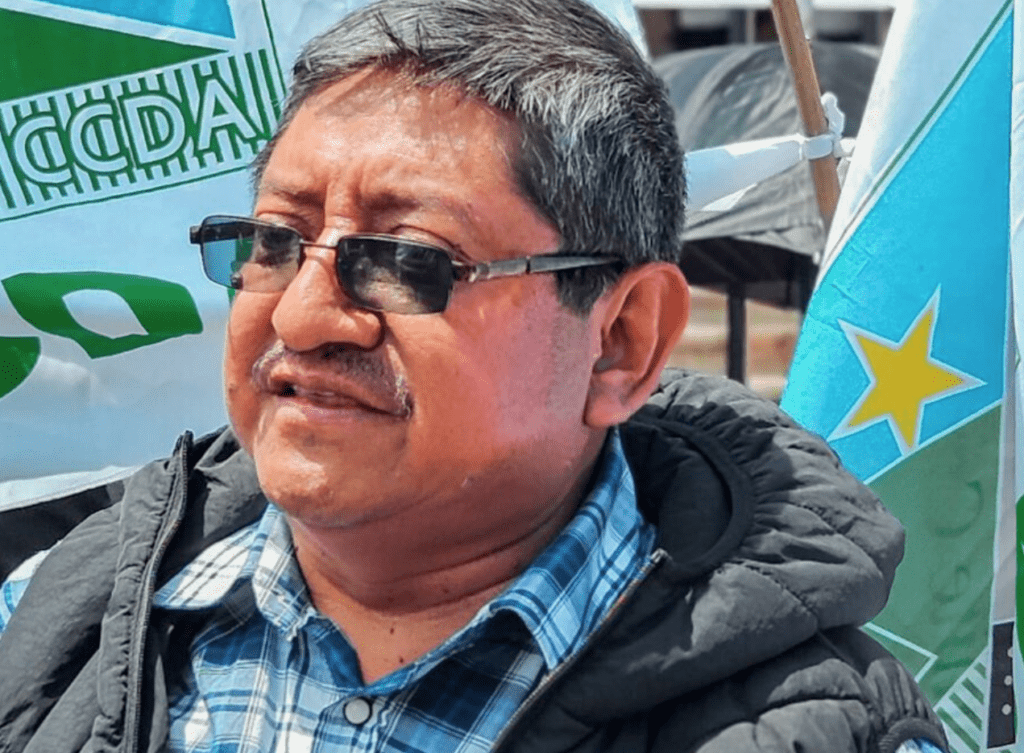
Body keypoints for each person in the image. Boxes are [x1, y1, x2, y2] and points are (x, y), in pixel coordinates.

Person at [0, 1, 948, 751]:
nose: (301, 318)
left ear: (621, 341)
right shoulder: (60, 625)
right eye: (275, 242)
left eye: (407, 260)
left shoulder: (812, 726)